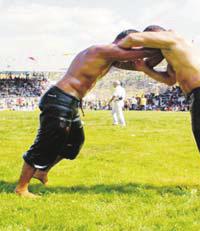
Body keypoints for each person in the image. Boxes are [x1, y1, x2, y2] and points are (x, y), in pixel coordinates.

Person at [15, 29, 159, 198]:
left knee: (75, 142)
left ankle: (42, 172)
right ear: (128, 42)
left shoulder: (111, 59)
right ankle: (21, 188)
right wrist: (166, 43)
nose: (136, 52)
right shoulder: (101, 50)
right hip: (59, 99)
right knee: (46, 144)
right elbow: (146, 52)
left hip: (70, 102)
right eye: (135, 46)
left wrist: (163, 52)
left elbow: (145, 64)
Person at [118, 25, 200, 200]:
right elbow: (170, 80)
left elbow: (133, 39)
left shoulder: (172, 38)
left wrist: (113, 50)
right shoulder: (175, 53)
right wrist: (145, 69)